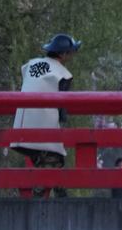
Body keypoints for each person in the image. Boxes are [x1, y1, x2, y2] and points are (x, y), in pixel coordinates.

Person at [11, 33, 82, 196]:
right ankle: (46, 197)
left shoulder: (30, 64)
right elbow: (62, 108)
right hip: (43, 126)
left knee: (48, 162)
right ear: (63, 54)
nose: (72, 55)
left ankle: (52, 195)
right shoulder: (63, 74)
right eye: (71, 52)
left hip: (21, 125)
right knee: (53, 161)